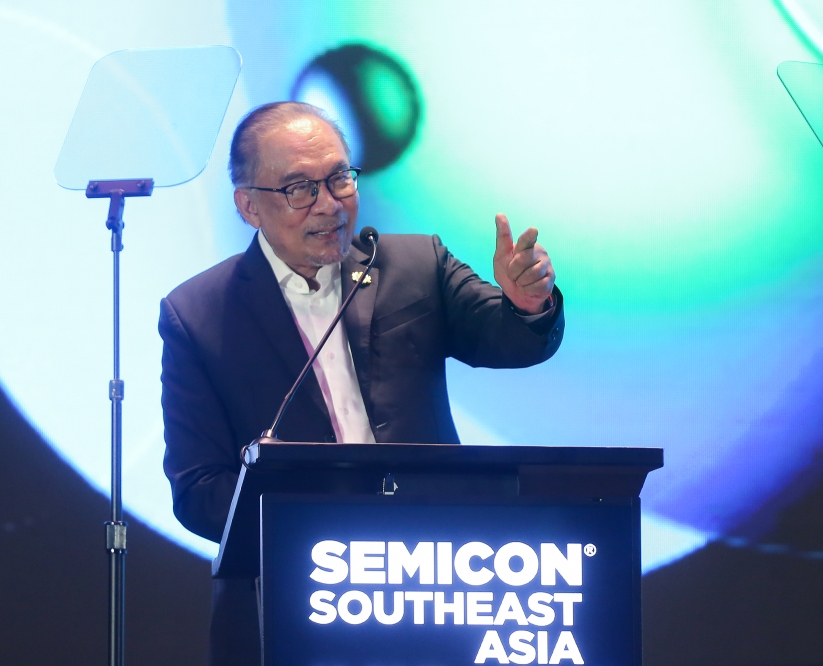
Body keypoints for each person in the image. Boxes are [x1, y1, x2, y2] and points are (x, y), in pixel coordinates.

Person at [158, 101, 564, 665]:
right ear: (248, 206)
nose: (329, 204)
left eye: (339, 178)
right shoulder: (198, 315)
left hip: (434, 584)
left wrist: (527, 305)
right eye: (300, 188)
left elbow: (511, 340)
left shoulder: (417, 264)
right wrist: (322, 523)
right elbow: (199, 490)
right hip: (294, 600)